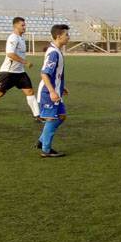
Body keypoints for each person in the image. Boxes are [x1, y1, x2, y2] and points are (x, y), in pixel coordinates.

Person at [36, 25, 70, 157]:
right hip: (48, 92)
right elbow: (44, 73)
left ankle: (42, 140)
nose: (68, 37)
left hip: (55, 89)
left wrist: (61, 87)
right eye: (66, 35)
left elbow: (55, 74)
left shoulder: (57, 51)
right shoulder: (53, 53)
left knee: (61, 116)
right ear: (59, 36)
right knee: (51, 119)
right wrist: (52, 91)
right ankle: (46, 150)